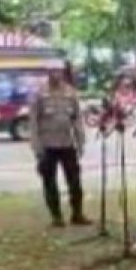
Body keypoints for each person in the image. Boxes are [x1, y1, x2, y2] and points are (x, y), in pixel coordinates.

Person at [29, 63, 90, 227]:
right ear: (48, 73)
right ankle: (56, 216)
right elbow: (33, 121)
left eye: (59, 71)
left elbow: (77, 119)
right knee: (49, 182)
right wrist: (36, 146)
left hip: (67, 143)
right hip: (47, 145)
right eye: (53, 71)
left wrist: (80, 141)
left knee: (75, 181)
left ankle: (77, 213)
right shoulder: (39, 93)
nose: (56, 74)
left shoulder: (70, 92)